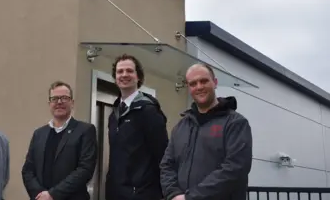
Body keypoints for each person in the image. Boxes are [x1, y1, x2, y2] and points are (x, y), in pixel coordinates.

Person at [160, 63, 253, 200]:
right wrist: (174, 194)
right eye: (193, 84)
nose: (199, 87)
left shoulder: (235, 123)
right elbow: (166, 165)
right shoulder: (181, 127)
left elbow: (235, 169)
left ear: (215, 83)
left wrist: (191, 198)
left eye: (204, 81)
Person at [105, 54, 169, 200]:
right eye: (120, 71)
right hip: (116, 193)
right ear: (115, 78)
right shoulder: (114, 115)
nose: (124, 75)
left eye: (129, 71)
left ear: (138, 77)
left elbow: (162, 154)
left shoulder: (149, 111)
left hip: (142, 194)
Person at [22, 81, 97, 200]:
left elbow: (85, 169)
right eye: (55, 98)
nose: (59, 102)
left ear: (72, 103)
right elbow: (28, 170)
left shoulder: (85, 130)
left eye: (64, 98)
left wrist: (52, 195)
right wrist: (40, 194)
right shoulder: (39, 134)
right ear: (49, 103)